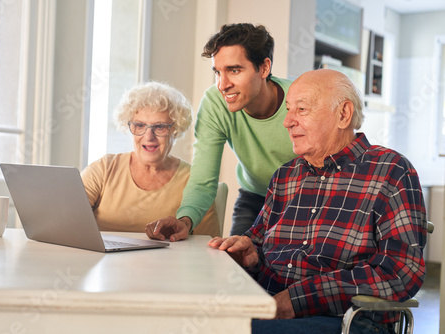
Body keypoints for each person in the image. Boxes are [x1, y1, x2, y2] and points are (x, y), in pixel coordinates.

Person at [208, 69, 427, 334]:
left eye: (301, 110)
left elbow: (403, 271)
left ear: (343, 115)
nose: (287, 121)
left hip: (345, 320)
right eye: (288, 110)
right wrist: (251, 257)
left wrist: (299, 298)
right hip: (269, 308)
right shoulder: (285, 176)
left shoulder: (391, 171)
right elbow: (257, 245)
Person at [145, 23, 297, 242]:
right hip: (255, 198)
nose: (222, 85)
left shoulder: (299, 100)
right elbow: (204, 179)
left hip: (304, 199)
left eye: (234, 70)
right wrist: (185, 220)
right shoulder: (215, 103)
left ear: (264, 68)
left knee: (292, 269)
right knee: (237, 265)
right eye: (218, 72)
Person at [81, 81, 219, 237]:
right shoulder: (104, 169)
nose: (148, 136)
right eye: (139, 125)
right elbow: (69, 216)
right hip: (102, 260)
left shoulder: (195, 181)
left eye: (159, 127)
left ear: (175, 130)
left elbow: (208, 246)